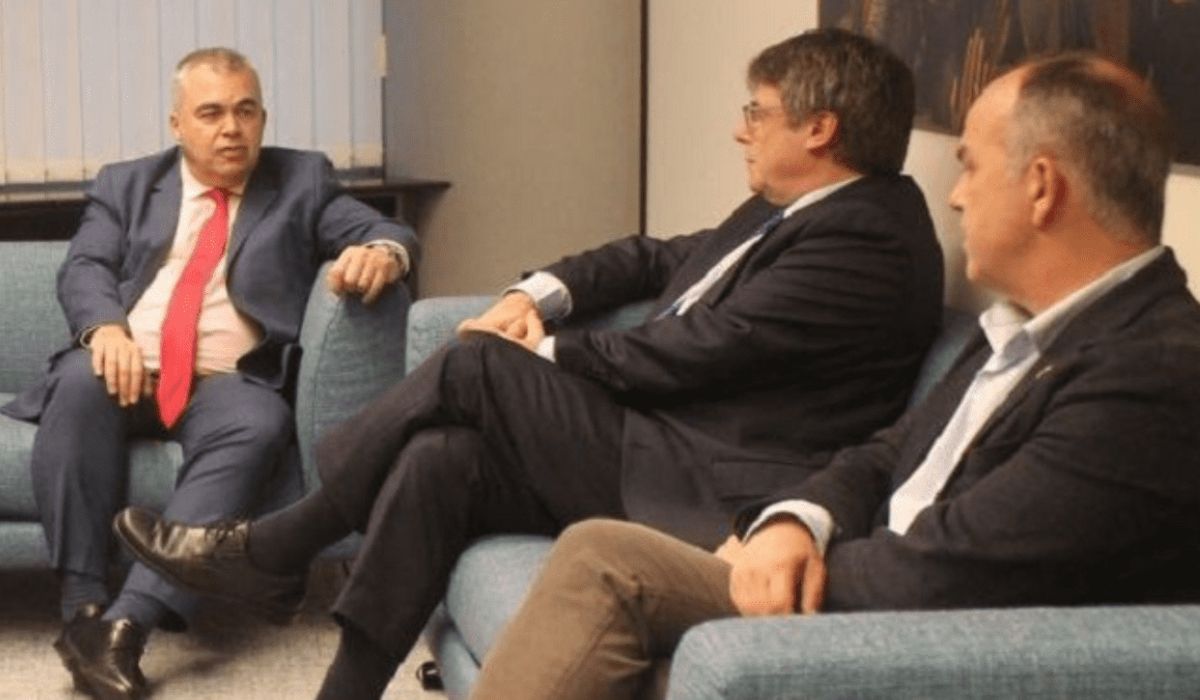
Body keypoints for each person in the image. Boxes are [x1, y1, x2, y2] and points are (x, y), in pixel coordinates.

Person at [115, 29, 943, 699]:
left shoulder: (867, 238)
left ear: (819, 129)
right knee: (442, 460)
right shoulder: (789, 210)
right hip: (661, 441)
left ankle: (277, 547)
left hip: (709, 485)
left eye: (756, 112)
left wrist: (538, 352)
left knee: (474, 367)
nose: (740, 128)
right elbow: (652, 258)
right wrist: (537, 296)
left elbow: (701, 350)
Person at [450, 53, 1200, 699]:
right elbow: (887, 452)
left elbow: (951, 569)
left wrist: (799, 561)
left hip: (915, 629)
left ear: (1041, 187)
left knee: (606, 560)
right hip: (869, 567)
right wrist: (793, 521)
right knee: (471, 464)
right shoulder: (1024, 324)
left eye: (970, 165)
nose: (955, 193)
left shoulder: (1150, 372)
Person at [0, 48, 417, 699]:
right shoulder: (127, 184)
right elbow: (85, 266)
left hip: (227, 382)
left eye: (245, 112)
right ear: (178, 124)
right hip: (126, 363)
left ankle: (127, 627)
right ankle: (82, 609)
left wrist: (384, 253)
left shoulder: (301, 181)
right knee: (79, 383)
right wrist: (105, 329)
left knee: (260, 422)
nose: (231, 129)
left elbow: (383, 229)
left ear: (262, 119)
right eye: (212, 113)